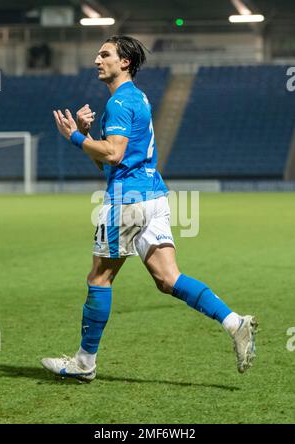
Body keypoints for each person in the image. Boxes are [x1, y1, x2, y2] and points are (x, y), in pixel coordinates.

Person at [42, 35, 258, 382]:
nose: (98, 60)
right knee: (167, 278)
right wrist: (87, 135)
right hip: (154, 197)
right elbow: (112, 162)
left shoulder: (119, 103)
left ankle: (84, 363)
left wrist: (75, 137)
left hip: (128, 201)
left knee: (100, 277)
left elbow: (111, 155)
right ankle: (235, 323)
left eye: (105, 54)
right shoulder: (137, 98)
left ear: (124, 62)